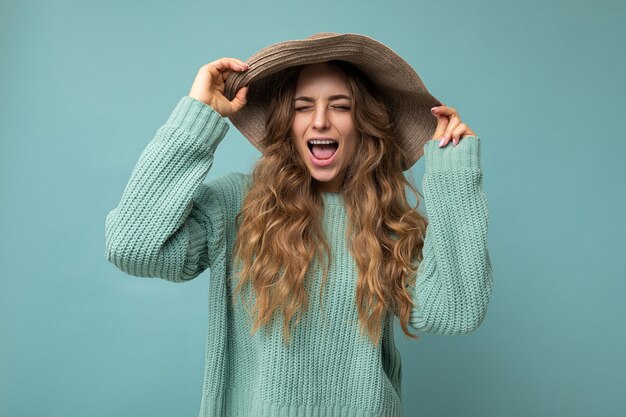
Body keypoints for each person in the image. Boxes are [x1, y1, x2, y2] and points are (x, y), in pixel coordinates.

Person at [105, 33, 493, 417]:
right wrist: (197, 118)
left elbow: (454, 311)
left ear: (363, 122)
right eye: (303, 107)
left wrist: (454, 175)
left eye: (340, 106)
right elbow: (133, 247)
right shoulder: (238, 205)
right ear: (286, 122)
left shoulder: (387, 222)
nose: (320, 121)